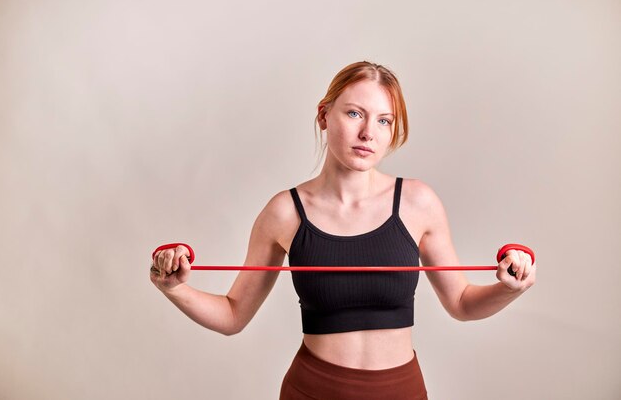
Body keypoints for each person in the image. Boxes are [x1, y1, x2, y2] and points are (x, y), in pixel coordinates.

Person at [150, 61, 536, 399]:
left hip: (400, 392)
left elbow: (463, 303)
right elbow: (233, 315)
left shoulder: (418, 203)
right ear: (324, 116)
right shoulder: (285, 212)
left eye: (384, 121)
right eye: (355, 114)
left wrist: (508, 287)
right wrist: (175, 287)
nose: (369, 132)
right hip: (312, 391)